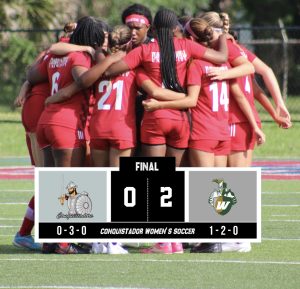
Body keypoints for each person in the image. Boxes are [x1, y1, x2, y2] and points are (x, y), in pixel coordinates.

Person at [27, 16, 105, 168]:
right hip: (67, 123)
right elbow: (82, 79)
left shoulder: (56, 55)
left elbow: (32, 76)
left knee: (51, 184)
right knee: (70, 183)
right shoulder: (81, 56)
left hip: (46, 121)